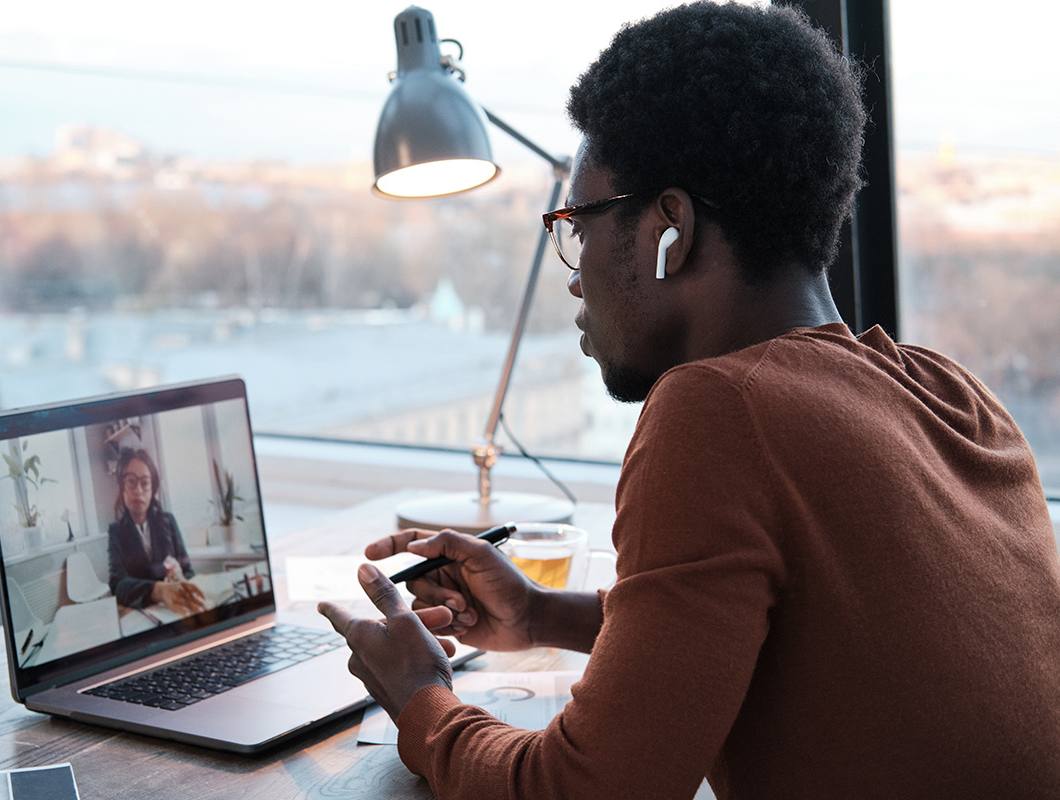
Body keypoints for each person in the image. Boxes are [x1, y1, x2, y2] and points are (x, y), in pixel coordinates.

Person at [318, 2, 1060, 798]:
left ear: (670, 228)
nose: (575, 269)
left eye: (579, 223)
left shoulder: (719, 411)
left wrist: (419, 700)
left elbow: (587, 790)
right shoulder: (947, 393)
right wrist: (540, 615)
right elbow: (793, 641)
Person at [108, 447, 206, 616]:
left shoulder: (168, 521)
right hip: (146, 615)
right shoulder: (116, 532)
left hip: (177, 611)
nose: (138, 491)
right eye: (131, 481)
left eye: (145, 483)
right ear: (122, 486)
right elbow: (117, 585)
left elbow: (188, 569)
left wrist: (179, 576)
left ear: (152, 488)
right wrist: (158, 590)